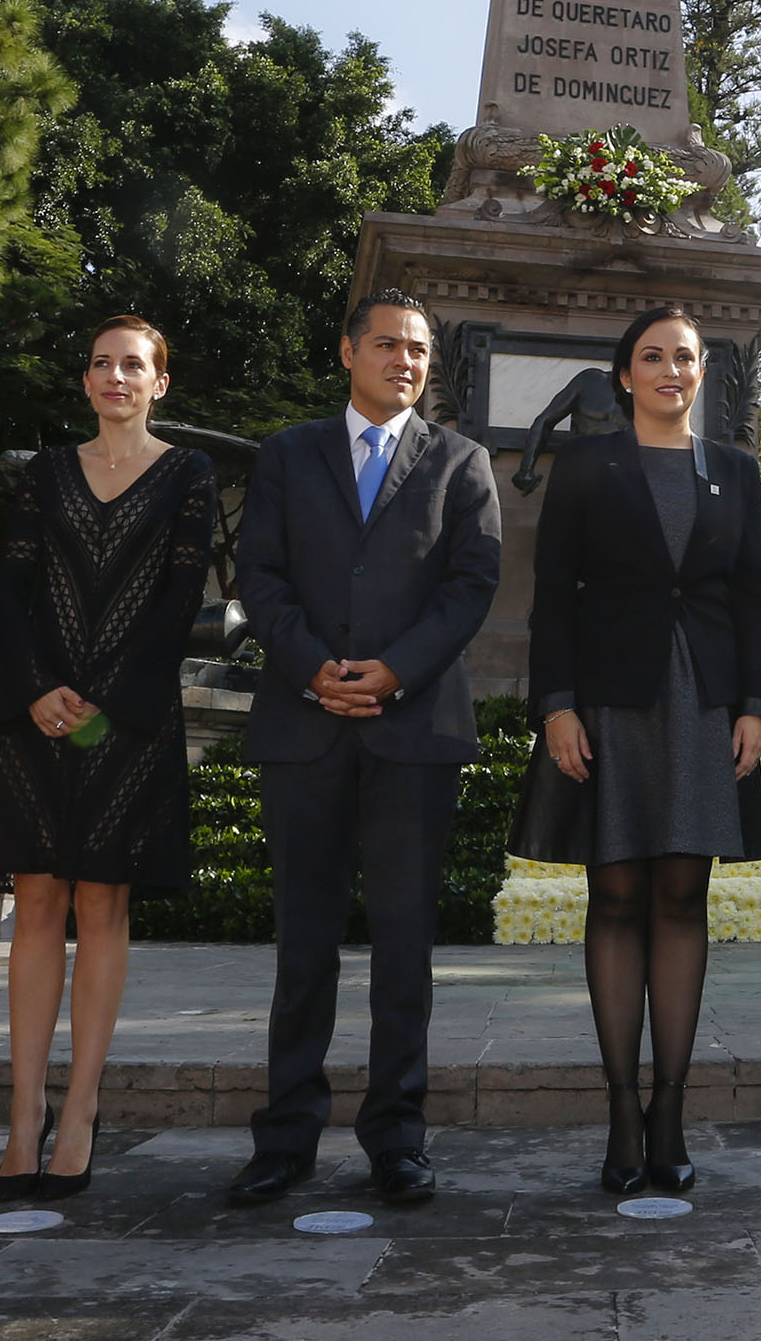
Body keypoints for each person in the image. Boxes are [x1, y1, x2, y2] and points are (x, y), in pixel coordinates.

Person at [226, 291, 504, 1209]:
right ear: (348, 352)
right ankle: (287, 1137)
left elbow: (471, 588)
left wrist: (392, 671)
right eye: (387, 343)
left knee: (404, 950)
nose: (406, 359)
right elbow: (257, 576)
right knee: (303, 945)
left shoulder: (462, 461)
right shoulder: (287, 453)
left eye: (420, 348)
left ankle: (397, 1135)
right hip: (304, 729)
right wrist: (314, 669)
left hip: (413, 731)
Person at [510, 307, 761, 1195]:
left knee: (681, 891)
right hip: (611, 700)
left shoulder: (736, 471)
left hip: (704, 703)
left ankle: (670, 1108)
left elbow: (751, 600)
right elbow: (553, 598)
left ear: (704, 373)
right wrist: (554, 706)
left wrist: (756, 707)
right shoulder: (586, 463)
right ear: (625, 374)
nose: (671, 370)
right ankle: (622, 1110)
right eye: (653, 356)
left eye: (686, 358)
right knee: (616, 891)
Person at [0, 317, 218, 1201]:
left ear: (160, 383)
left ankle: (82, 1109)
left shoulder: (189, 473)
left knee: (101, 899)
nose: (116, 375)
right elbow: (14, 592)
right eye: (102, 363)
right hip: (36, 718)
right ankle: (24, 1114)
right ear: (86, 381)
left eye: (134, 364)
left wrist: (104, 701)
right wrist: (34, 688)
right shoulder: (44, 475)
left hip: (124, 721)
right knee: (36, 898)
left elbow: (182, 597)